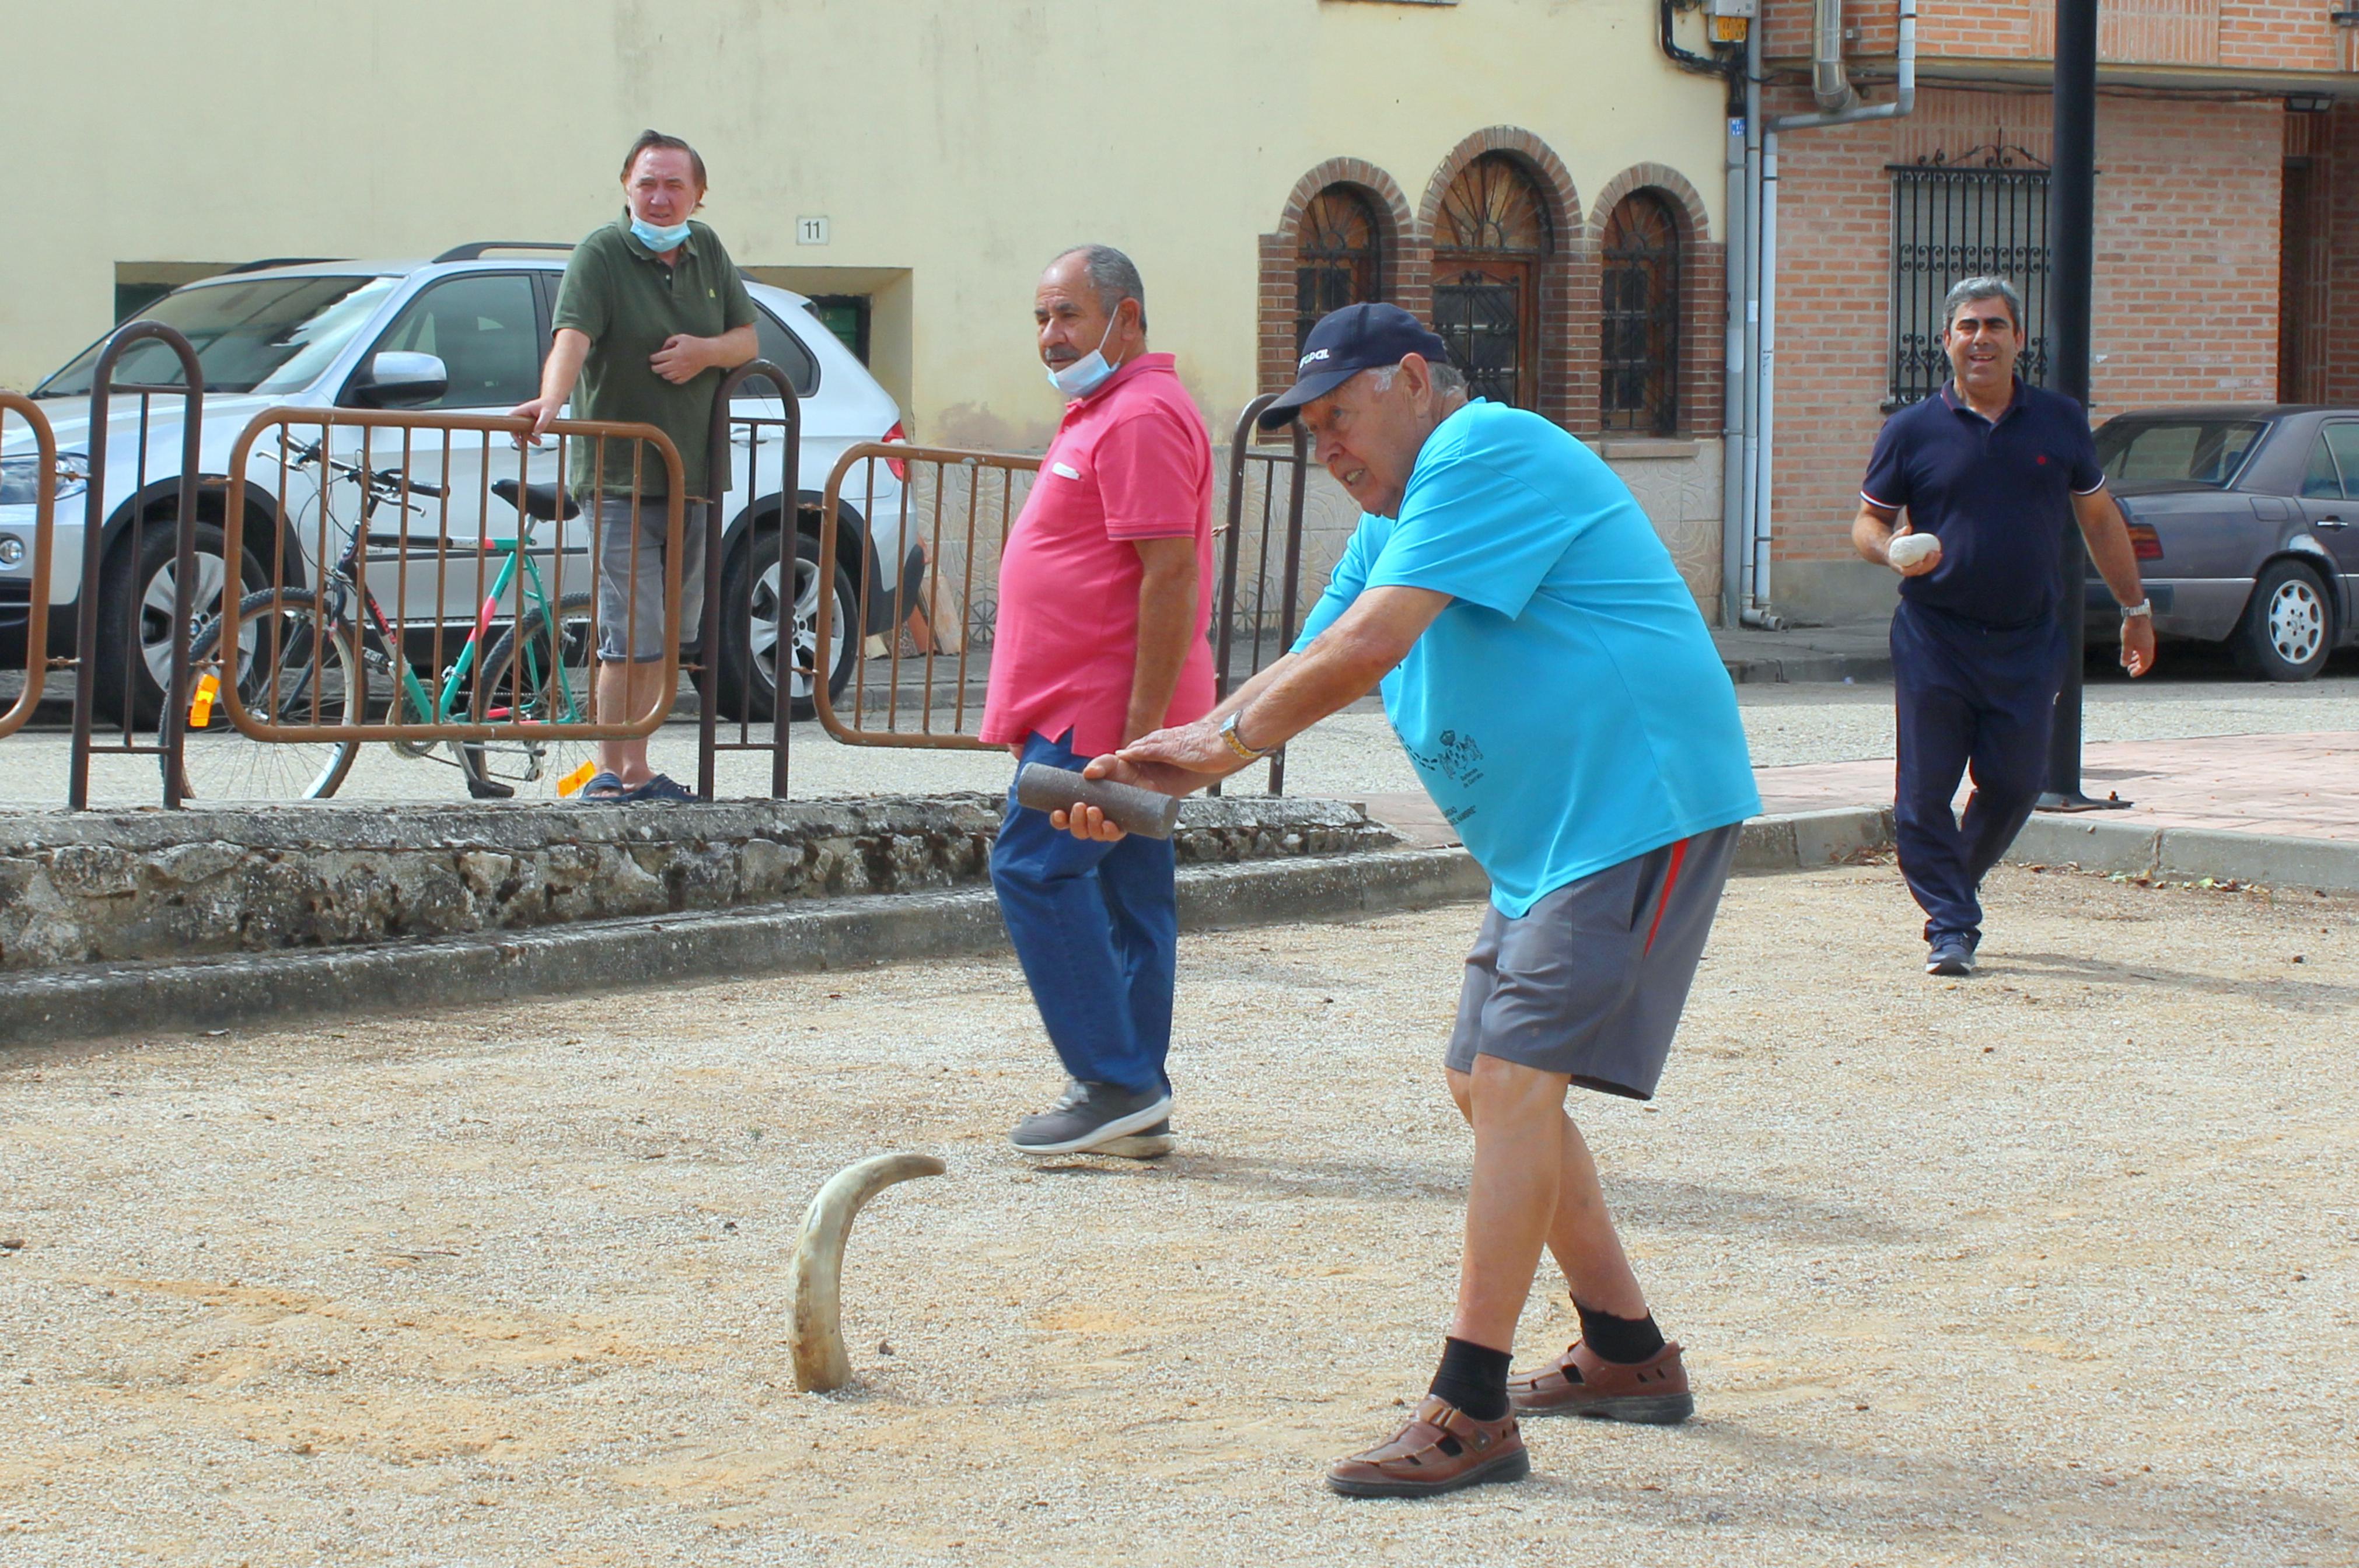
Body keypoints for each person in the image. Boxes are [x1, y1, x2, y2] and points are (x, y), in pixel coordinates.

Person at [1051, 303, 1761, 1497]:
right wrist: (1161, 763)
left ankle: (1469, 1402)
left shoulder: (1486, 448)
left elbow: (1367, 650)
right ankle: (1625, 1349)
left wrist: (1205, 746)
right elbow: (1304, 657)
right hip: (1553, 838)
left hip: (1637, 802)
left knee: (1517, 1077)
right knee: (1478, 1081)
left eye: (1338, 417)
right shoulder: (1396, 519)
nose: (1325, 447)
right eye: (1309, 430)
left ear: (1415, 381)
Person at [980, 245, 1215, 1157]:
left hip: (1100, 711)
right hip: (1086, 705)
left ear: (1126, 317)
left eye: (1068, 315)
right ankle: (1133, 1089)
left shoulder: (1140, 415)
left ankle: (1114, 1082)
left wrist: (1133, 736)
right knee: (1124, 890)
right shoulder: (1105, 410)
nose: (1050, 336)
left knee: (1033, 870)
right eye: (1041, 317)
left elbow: (1170, 574)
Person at [1851, 275, 2155, 977]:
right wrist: (1886, 548)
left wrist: (2135, 610)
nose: (1979, 339)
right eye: (1966, 327)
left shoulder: (2058, 421)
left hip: (2027, 638)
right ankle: (1952, 925)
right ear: (1946, 342)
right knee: (1924, 790)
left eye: (1993, 326)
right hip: (1935, 634)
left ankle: (1951, 882)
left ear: (2018, 339)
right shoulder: (1910, 430)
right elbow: (1866, 520)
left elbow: (2099, 518)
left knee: (2017, 782)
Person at [509, 128, 757, 802]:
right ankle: (609, 772)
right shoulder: (601, 253)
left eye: (674, 185)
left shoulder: (707, 251)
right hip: (621, 476)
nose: (659, 197)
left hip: (695, 477)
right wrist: (553, 401)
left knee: (672, 632)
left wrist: (704, 352)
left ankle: (640, 767)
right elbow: (573, 337)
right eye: (647, 183)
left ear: (698, 196)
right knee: (629, 633)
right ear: (626, 186)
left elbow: (747, 338)